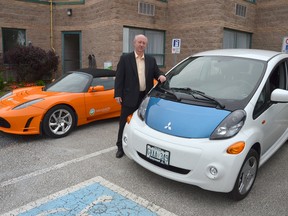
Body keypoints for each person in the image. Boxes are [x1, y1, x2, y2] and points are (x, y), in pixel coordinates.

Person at [114, 34, 166, 158]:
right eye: (139, 42)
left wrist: (161, 75)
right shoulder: (125, 59)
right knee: (124, 122)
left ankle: (140, 146)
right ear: (134, 43)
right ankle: (120, 147)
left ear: (146, 45)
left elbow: (156, 73)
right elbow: (119, 78)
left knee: (143, 123)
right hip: (129, 97)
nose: (141, 45)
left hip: (144, 98)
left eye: (144, 43)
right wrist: (117, 94)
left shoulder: (151, 60)